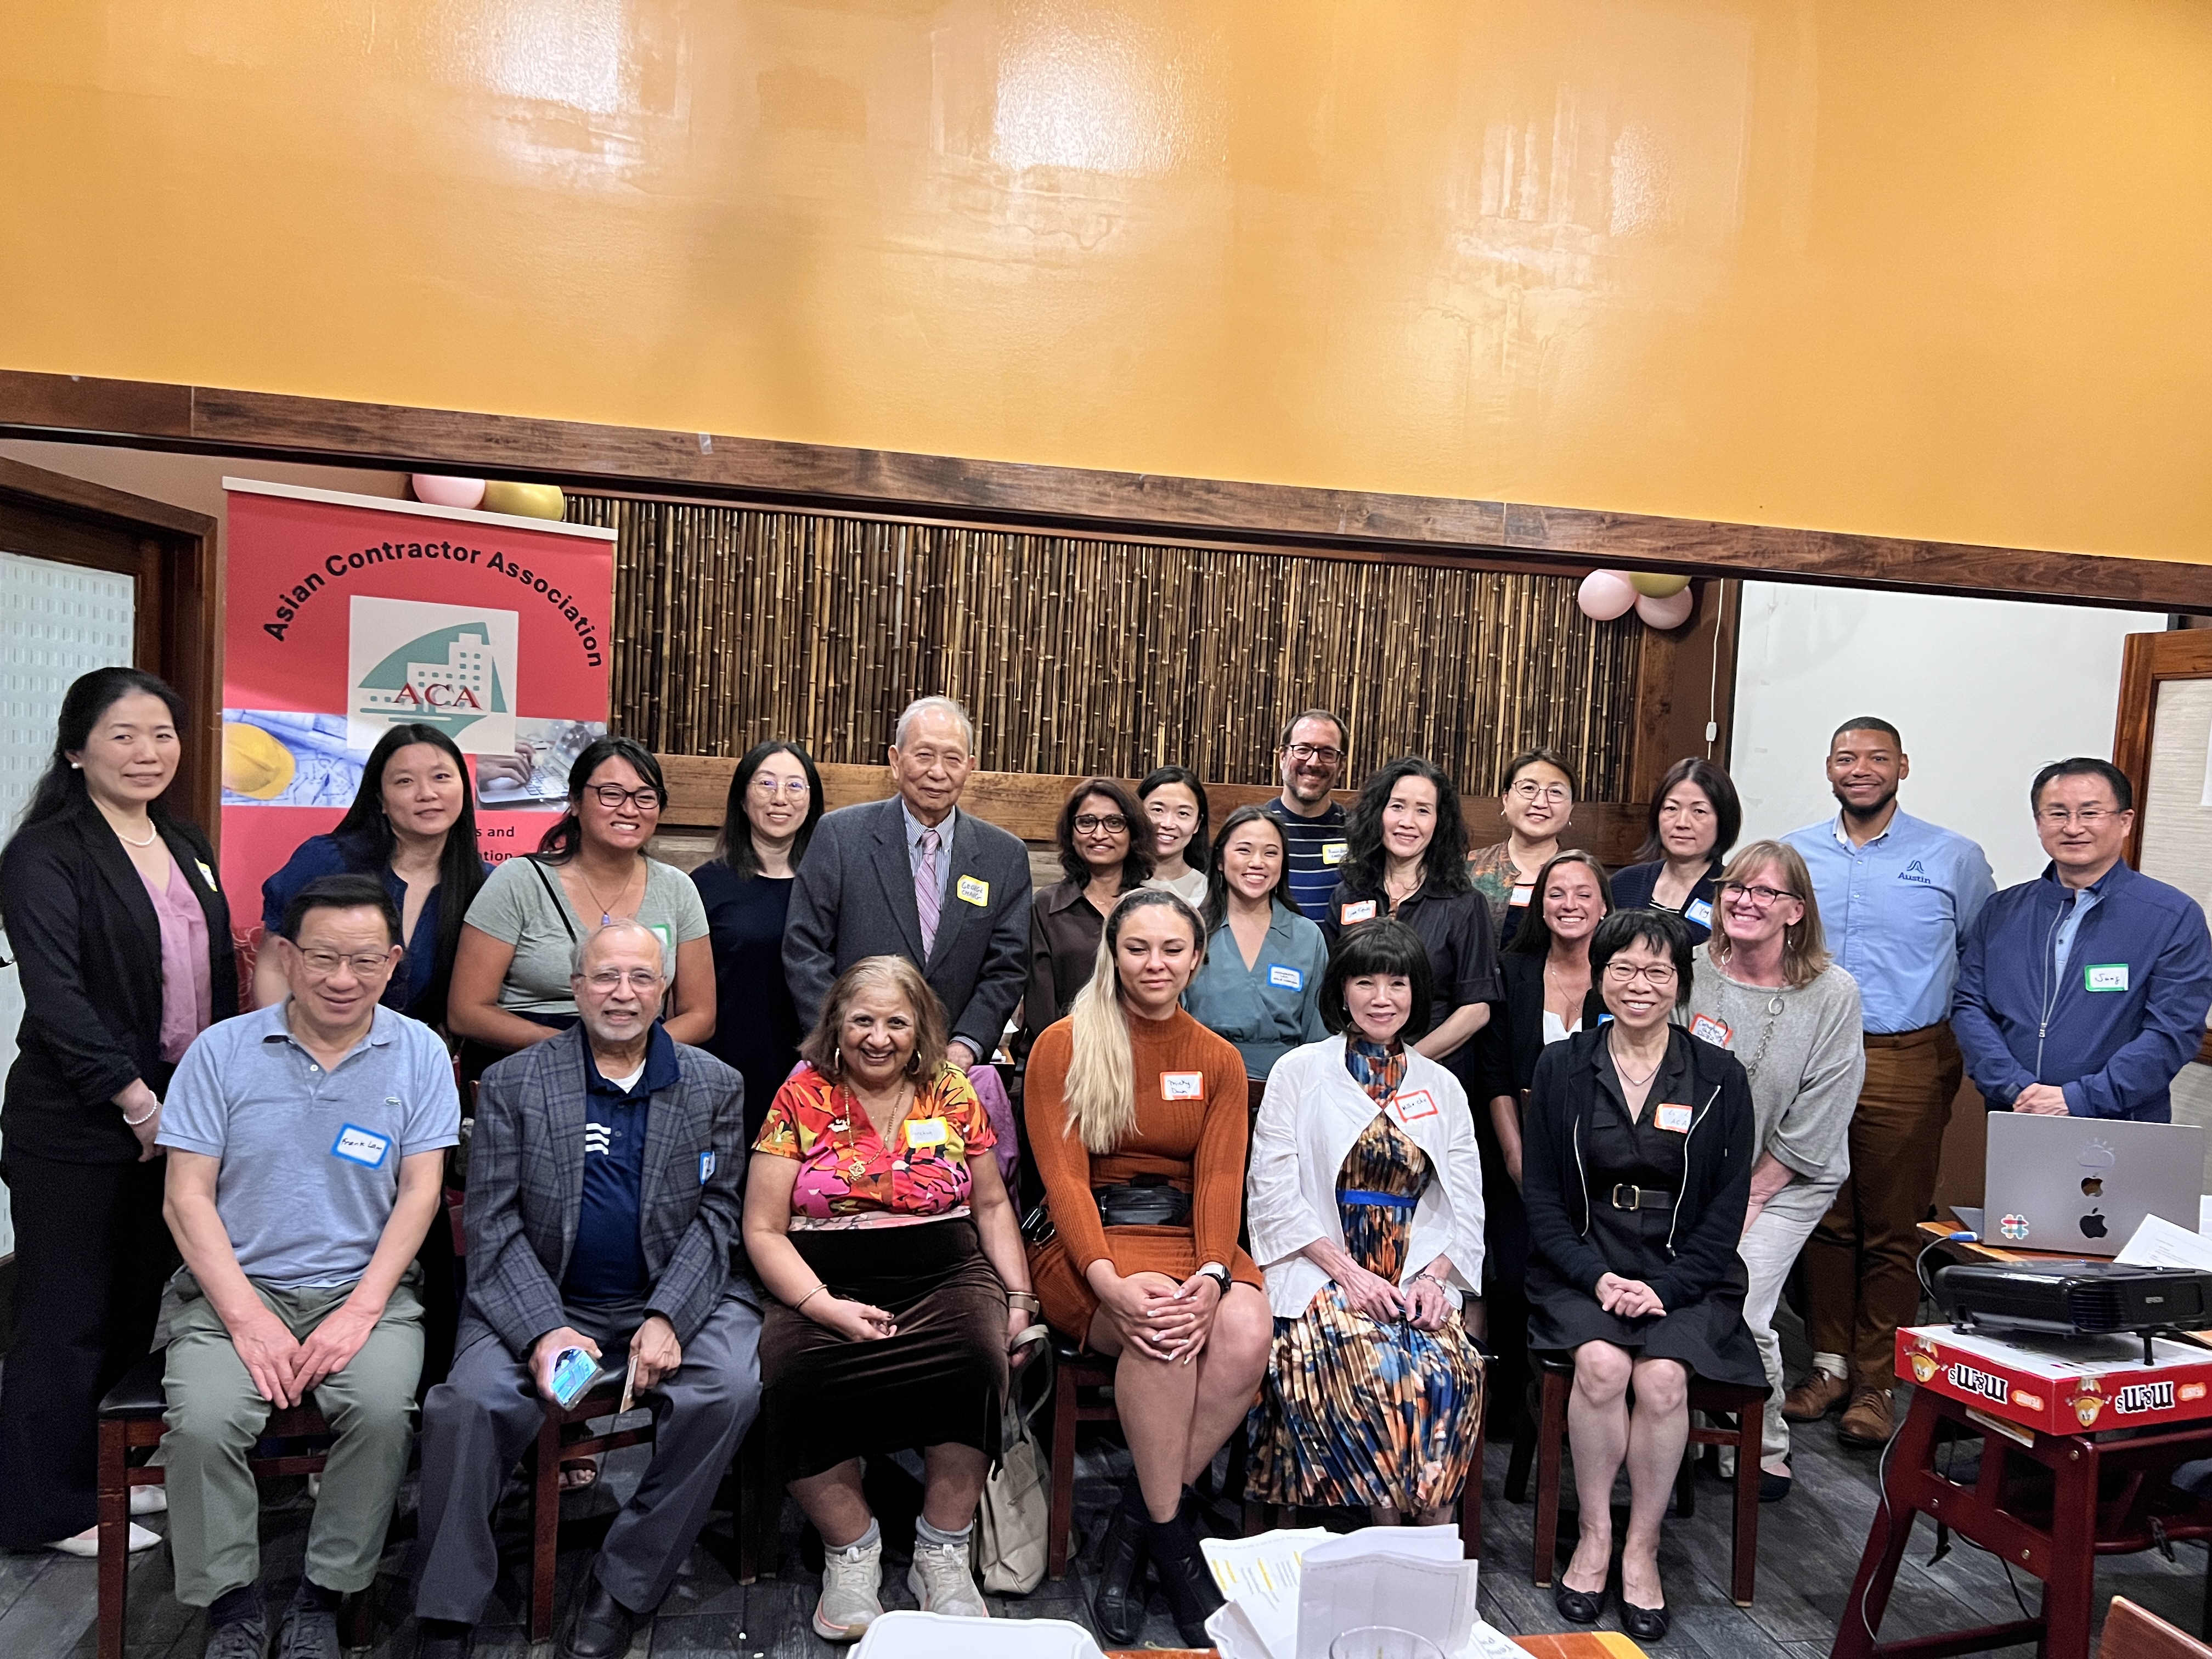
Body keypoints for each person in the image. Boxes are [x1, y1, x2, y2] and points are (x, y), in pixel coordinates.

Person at [414, 921, 760, 1659]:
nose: (622, 993)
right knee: (469, 1403)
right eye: (605, 976)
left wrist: (669, 1316)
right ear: (575, 989)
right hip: (547, 1298)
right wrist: (545, 1330)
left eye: (641, 978)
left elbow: (720, 1214)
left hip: (669, 1296)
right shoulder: (516, 1083)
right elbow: (492, 1223)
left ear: (665, 991)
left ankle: (625, 1582)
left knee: (729, 1389)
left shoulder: (714, 1084)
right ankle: (447, 1608)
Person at [156, 874, 458, 1659]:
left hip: (366, 1292)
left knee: (384, 1410)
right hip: (234, 1290)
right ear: (286, 956)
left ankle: (325, 1594)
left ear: (393, 963)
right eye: (322, 957)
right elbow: (186, 1199)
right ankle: (231, 1605)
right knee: (204, 1421)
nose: (342, 978)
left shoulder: (420, 1052)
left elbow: (420, 1194)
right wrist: (246, 1317)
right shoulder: (221, 1052)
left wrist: (361, 1310)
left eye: (365, 960)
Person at [0, 667, 238, 1558]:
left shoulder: (183, 840)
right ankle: (42, 1504)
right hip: (80, 1120)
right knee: (66, 1312)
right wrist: (135, 1101)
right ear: (76, 749)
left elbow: (209, 977)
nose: (148, 752)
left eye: (162, 734)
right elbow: (58, 997)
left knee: (137, 1302)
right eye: (123, 734)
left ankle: (103, 1474)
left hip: (177, 1115)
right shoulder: (45, 852)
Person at [743, 956, 1034, 1641]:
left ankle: (942, 1550)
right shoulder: (802, 1093)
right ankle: (851, 1552)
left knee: (976, 1360)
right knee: (796, 1373)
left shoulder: (952, 1090)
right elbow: (762, 1228)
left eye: (897, 1022)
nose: (879, 1038)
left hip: (947, 1276)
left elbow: (993, 1206)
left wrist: (1020, 1298)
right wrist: (824, 1307)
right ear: (836, 1025)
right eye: (863, 1021)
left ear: (921, 1028)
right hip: (823, 1285)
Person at [1024, 891, 1271, 1645]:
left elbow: (1221, 1180)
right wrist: (1105, 1279)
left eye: (1172, 949)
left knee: (1247, 1329)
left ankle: (1136, 1526)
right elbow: (1064, 1181)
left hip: (1191, 1237)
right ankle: (1175, 1550)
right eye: (1137, 948)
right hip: (1087, 1242)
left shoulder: (1218, 1058)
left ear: (1197, 960)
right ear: (1114, 955)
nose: (1154, 963)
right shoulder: (1065, 1044)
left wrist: (1216, 1276)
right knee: (1162, 1323)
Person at [1522, 909, 1762, 1641]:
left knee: (1661, 1381)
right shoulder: (1561, 1066)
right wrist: (1596, 1278)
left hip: (1684, 1268)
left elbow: (1726, 1209)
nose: (1639, 985)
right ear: (1600, 977)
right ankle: (1595, 1534)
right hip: (1582, 1260)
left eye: (1658, 971)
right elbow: (1543, 1199)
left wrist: (1669, 1288)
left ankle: (1643, 1546)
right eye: (1623, 968)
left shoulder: (1719, 1076)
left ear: (1681, 984)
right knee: (1600, 1367)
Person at [1780, 719, 1996, 1448]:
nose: (1861, 768)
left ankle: (1877, 1382)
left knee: (1890, 1227)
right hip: (1813, 1055)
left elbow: (1980, 955)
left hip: (1905, 1053)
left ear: (1903, 766)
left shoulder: (1953, 856)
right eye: (1846, 757)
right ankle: (1829, 1366)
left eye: (1877, 757)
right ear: (1829, 768)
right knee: (1825, 1217)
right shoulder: (1797, 854)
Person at [1245, 919, 1487, 1525]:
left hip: (1414, 1272)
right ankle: (1386, 1534)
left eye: (1397, 984)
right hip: (1320, 1269)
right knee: (1377, 1363)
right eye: (1365, 983)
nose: (1382, 999)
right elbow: (1272, 1192)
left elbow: (1467, 1202)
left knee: (1449, 1371)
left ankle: (1428, 1545)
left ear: (1416, 993)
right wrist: (1350, 1276)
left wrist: (1434, 1279)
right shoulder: (1299, 1072)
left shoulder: (1444, 1086)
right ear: (1341, 991)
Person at [1685, 843, 1864, 1500]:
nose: (1745, 901)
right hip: (1697, 1178)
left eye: (1766, 892)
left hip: (1790, 1179)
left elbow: (1826, 1105)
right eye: (1735, 887)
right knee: (1685, 1294)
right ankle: (1696, 1433)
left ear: (1796, 910)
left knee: (1743, 1302)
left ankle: (1762, 1445)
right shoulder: (1690, 969)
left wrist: (1754, 1194)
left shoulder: (1833, 993)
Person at [1953, 758, 2212, 1125]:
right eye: (2058, 814)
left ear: (2125, 821)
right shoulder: (2002, 910)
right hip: (2015, 1111)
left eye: (2090, 813)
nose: (2073, 828)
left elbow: (2173, 1031)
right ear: (2039, 823)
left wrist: (2077, 1099)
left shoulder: (2172, 915)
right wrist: (2015, 1088)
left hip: (2121, 1119)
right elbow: (1970, 1006)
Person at [784, 696, 1031, 1072]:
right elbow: (805, 948)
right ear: (896, 760)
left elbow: (1007, 966)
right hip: (853, 1061)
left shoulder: (1005, 856)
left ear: (970, 767)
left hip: (950, 1068)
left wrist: (967, 1044)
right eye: (924, 755)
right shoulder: (840, 836)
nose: (938, 772)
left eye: (952, 759)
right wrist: (841, 1038)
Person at [449, 735, 715, 1060]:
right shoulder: (518, 881)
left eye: (646, 797)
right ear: (574, 802)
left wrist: (634, 1052)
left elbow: (701, 1015)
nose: (629, 809)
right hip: (530, 1056)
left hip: (639, 1060)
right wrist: (575, 1051)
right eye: (611, 794)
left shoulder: (678, 889)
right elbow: (466, 1012)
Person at [1476, 850, 1612, 1423]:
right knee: (1511, 1275)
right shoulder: (1513, 971)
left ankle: (1582, 1401)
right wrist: (1517, 1159)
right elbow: (1496, 1075)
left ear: (1604, 907)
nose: (1569, 904)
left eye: (1583, 894)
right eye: (1556, 893)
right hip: (1518, 1152)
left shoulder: (1621, 978)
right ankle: (1510, 1403)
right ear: (1539, 905)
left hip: (1603, 1165)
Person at [255, 722, 490, 1028]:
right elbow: (274, 966)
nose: (427, 794)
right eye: (405, 781)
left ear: (464, 788)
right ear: (381, 799)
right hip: (317, 1039)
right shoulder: (326, 861)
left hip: (422, 1049)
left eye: (441, 777)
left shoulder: (485, 885)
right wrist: (285, 1040)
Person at [1321, 757, 1498, 1088]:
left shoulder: (1464, 903)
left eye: (1423, 811)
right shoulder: (1347, 894)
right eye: (1398, 806)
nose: (1408, 822)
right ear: (1379, 813)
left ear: (1439, 822)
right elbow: (1332, 988)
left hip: (1435, 1073)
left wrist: (1406, 1064)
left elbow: (1476, 1009)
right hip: (1353, 1071)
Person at [695, 740, 823, 1143]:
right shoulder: (705, 885)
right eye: (766, 783)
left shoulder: (830, 885)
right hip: (729, 1065)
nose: (780, 798)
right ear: (742, 796)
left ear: (812, 801)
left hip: (816, 1069)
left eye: (795, 786)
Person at [1181, 805, 1329, 1079]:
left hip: (1284, 1085)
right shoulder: (1190, 930)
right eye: (1244, 850)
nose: (1257, 862)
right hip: (1202, 1078)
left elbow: (1318, 1036)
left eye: (1270, 853)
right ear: (1220, 860)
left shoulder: (1307, 936)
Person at [1023, 777, 1155, 1056]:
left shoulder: (1154, 909)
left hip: (1141, 1053)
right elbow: (1040, 1004)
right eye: (1087, 822)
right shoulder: (1046, 906)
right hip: (1065, 1054)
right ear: (1072, 833)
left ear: (1133, 833)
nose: (1099, 833)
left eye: (1114, 823)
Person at [1610, 758, 1741, 945]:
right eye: (1672, 808)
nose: (1682, 823)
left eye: (1699, 811)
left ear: (1724, 820)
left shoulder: (1735, 895)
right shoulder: (1624, 884)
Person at [1466, 749, 1578, 949]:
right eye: (1528, 788)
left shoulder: (1582, 877)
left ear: (1571, 808)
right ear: (1506, 798)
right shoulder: (1467, 869)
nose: (1540, 802)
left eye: (1555, 792)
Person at [1263, 709, 1351, 922]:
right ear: (1283, 757)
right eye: (1303, 749)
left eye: (1327, 753)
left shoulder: (1357, 835)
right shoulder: (1254, 830)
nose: (1313, 762)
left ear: (1341, 765)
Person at [1139, 765, 1211, 908]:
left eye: (1183, 813)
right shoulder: (1114, 881)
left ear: (1197, 823)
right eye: (1158, 810)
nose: (1168, 824)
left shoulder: (1210, 891)